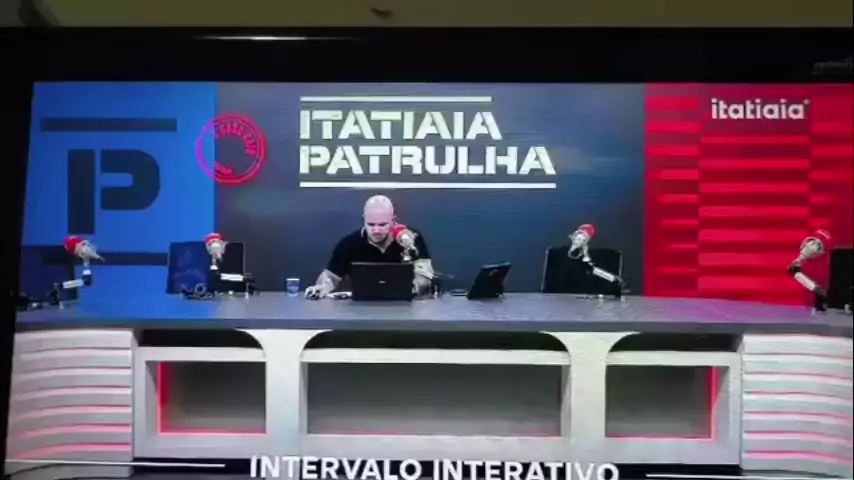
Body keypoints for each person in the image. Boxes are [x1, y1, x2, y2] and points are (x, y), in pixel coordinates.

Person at [304, 195, 434, 299]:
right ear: (364, 220)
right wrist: (322, 287)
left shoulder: (411, 239)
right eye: (371, 224)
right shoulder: (350, 243)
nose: (376, 230)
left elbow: (425, 276)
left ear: (393, 220)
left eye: (382, 225)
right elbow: (331, 276)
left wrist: (413, 288)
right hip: (360, 310)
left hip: (407, 307)